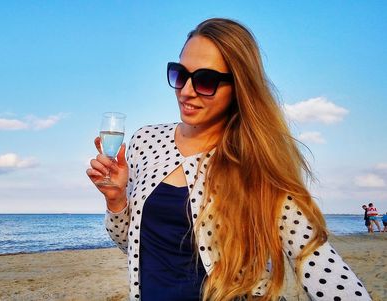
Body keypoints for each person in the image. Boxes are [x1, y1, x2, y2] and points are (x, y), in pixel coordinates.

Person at [87, 18, 371, 301]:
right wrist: (116, 200)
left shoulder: (257, 164)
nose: (186, 90)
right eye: (179, 74)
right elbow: (132, 244)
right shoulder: (145, 141)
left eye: (205, 80)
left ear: (238, 87)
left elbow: (319, 263)